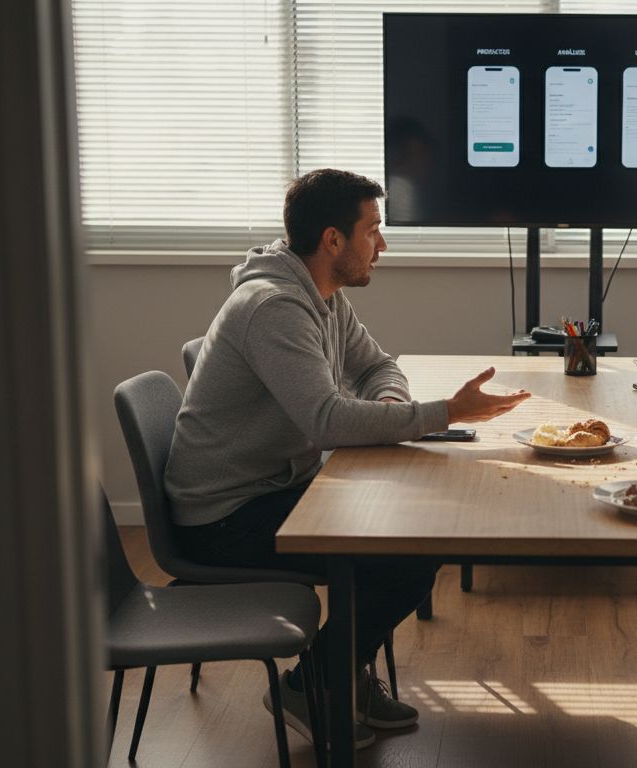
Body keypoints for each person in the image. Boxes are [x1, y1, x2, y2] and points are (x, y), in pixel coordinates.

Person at [164, 168, 530, 748]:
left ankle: (337, 675)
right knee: (405, 560)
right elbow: (328, 421)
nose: (382, 244)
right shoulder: (275, 308)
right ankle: (312, 683)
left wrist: (390, 405)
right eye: (373, 230)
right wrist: (445, 412)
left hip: (278, 485)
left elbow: (378, 365)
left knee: (410, 538)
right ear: (333, 240)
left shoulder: (323, 297)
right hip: (225, 518)